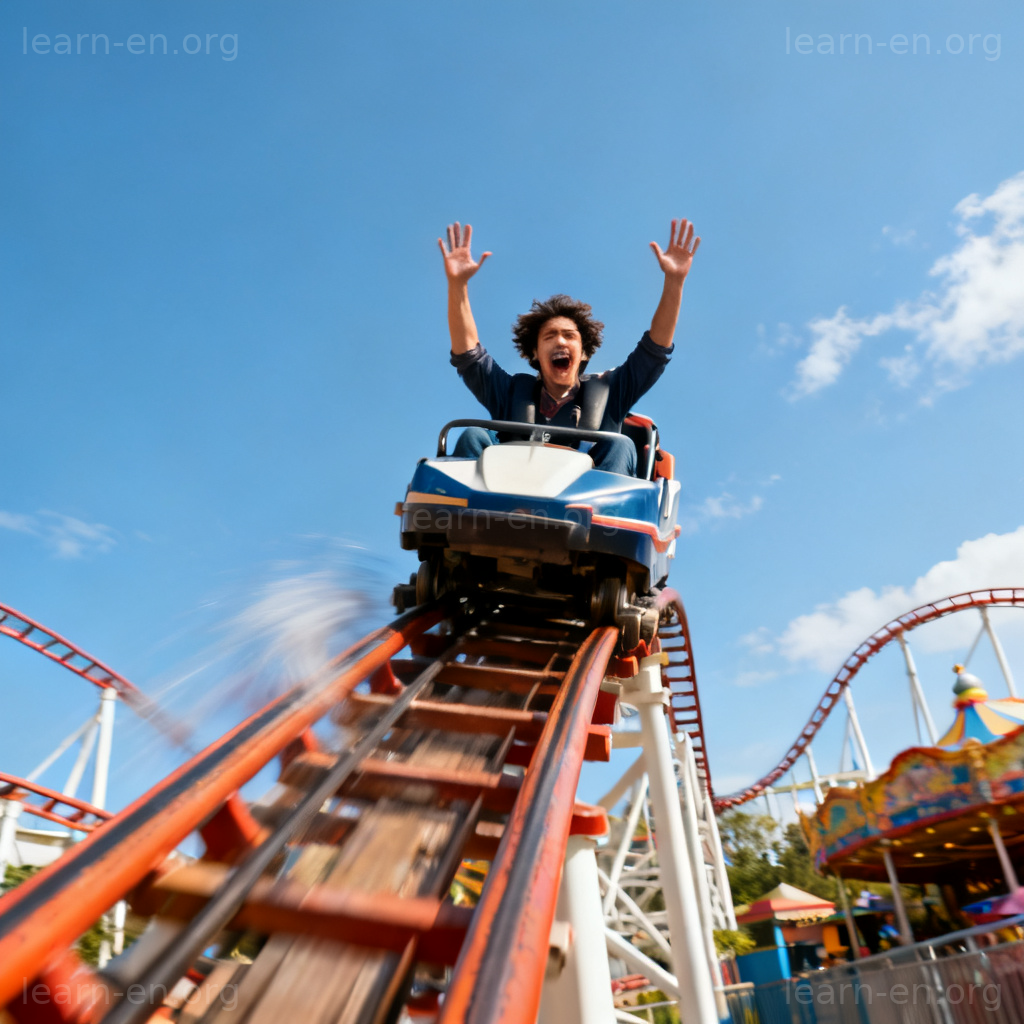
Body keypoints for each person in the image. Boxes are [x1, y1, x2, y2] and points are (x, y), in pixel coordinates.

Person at [438, 218, 700, 475]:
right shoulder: (510, 393)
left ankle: (602, 514)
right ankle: (465, 513)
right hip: (511, 495)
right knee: (472, 435)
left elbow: (654, 352)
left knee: (619, 445)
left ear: (584, 352)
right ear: (534, 353)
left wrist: (674, 281)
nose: (560, 341)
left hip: (588, 505)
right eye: (550, 336)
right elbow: (469, 356)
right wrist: (457, 284)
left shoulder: (612, 392)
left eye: (569, 335)